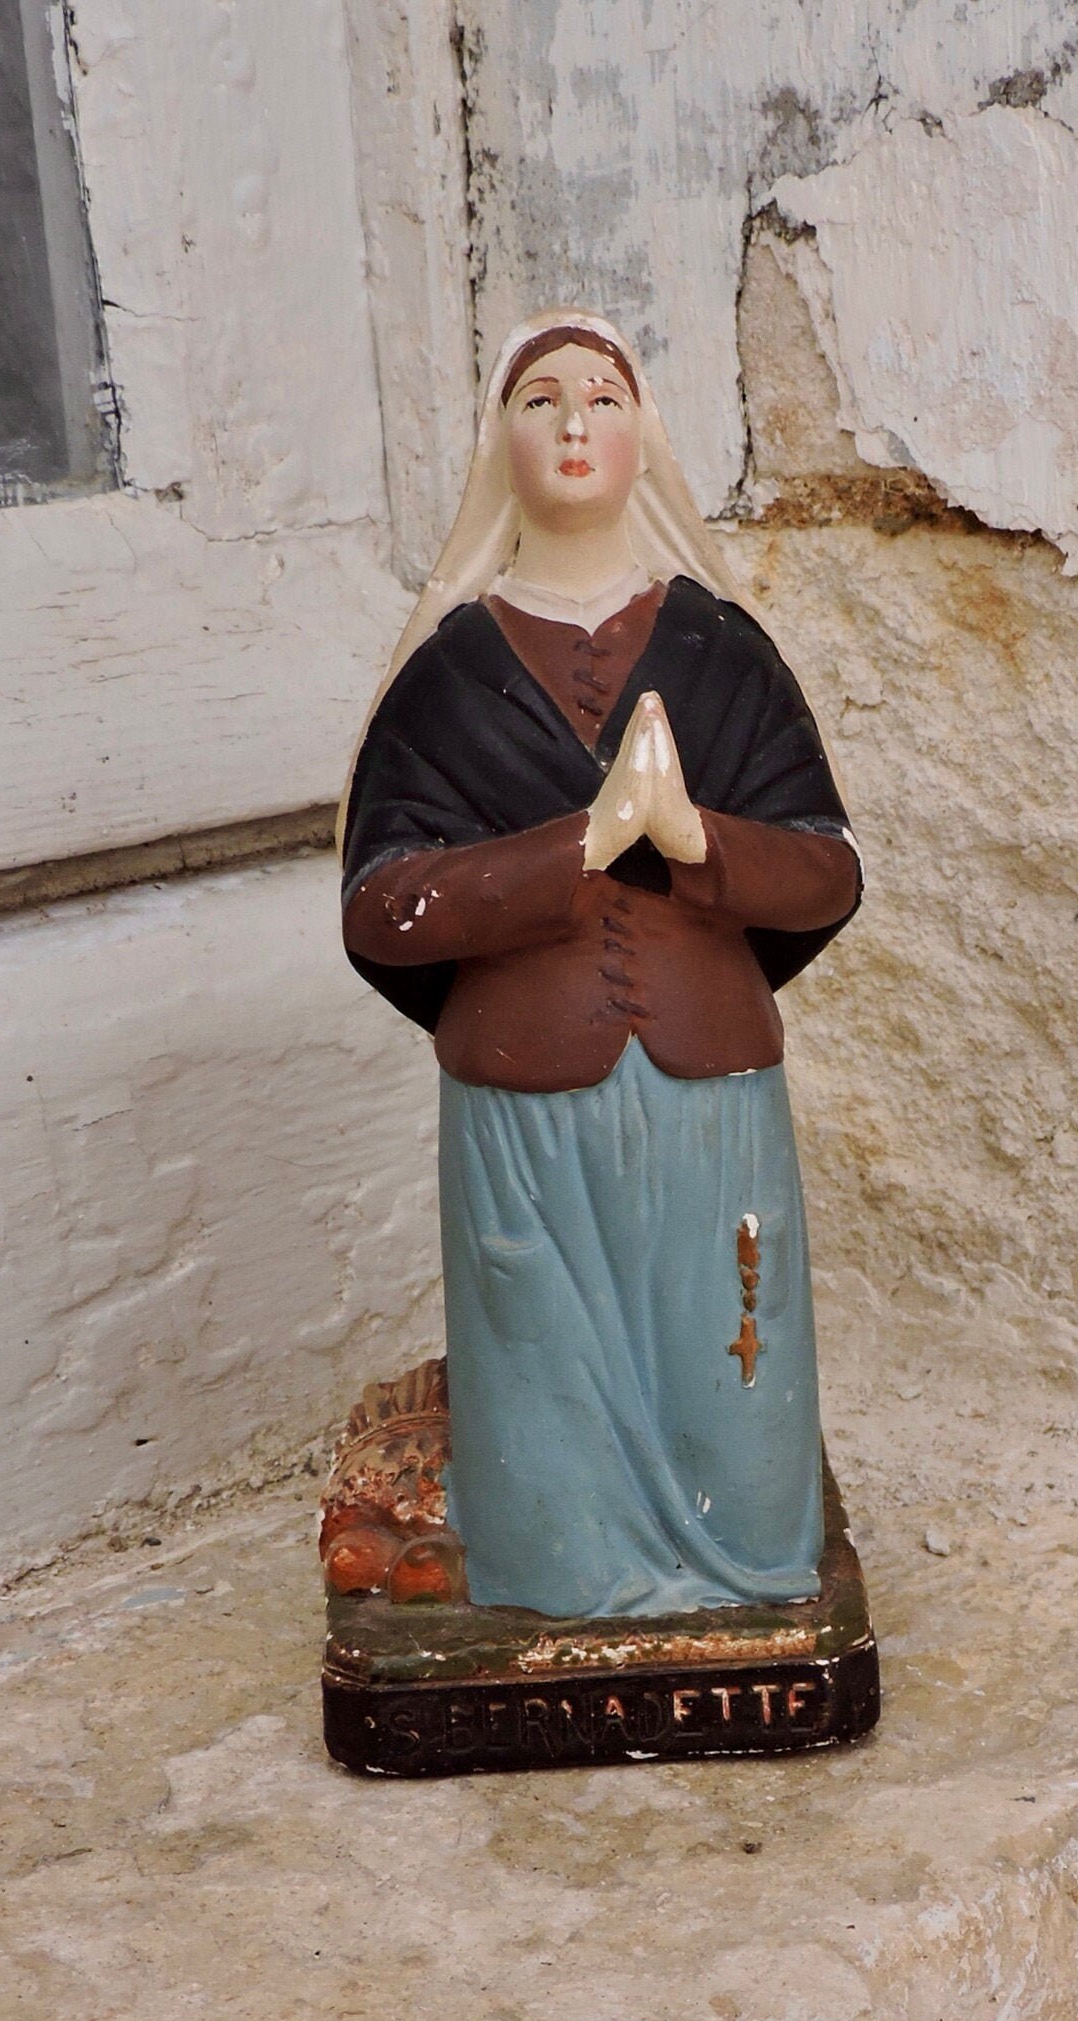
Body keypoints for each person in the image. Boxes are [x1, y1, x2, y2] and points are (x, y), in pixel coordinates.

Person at [337, 312, 860, 1622]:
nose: (574, 423)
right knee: (539, 1378)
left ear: (643, 436)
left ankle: (744, 1567)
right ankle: (553, 1573)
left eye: (603, 396)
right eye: (538, 399)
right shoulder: (447, 675)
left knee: (736, 1394)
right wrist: (577, 848)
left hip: (708, 1095)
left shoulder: (722, 652)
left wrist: (691, 841)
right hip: (526, 1106)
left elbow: (826, 871)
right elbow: (381, 909)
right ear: (496, 443)